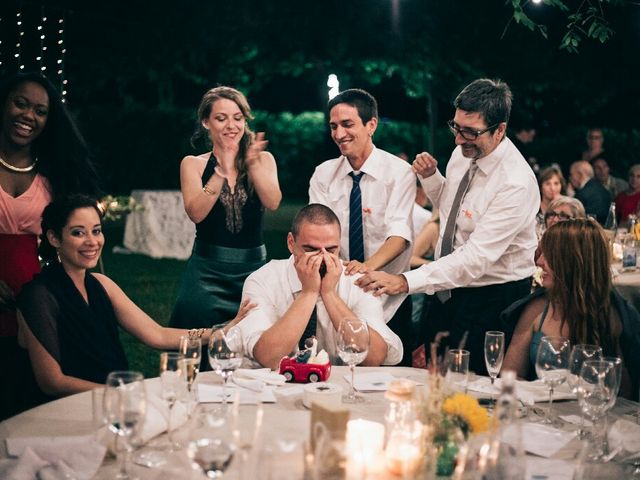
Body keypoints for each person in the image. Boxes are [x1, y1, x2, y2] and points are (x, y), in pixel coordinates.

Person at [355, 78, 539, 375]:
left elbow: (476, 259)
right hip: (446, 287)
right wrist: (432, 179)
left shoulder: (515, 183)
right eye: (456, 127)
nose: (458, 139)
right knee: (434, 377)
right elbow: (453, 209)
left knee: (474, 387)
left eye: (470, 132)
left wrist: (406, 281)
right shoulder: (463, 153)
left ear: (500, 129)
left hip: (491, 298)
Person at [17, 194, 254, 401]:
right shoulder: (39, 295)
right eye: (78, 232)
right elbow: (52, 382)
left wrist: (219, 332)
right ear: (54, 238)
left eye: (96, 231)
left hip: (118, 399)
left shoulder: (102, 284)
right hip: (73, 407)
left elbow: (157, 335)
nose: (92, 241)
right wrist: (122, 393)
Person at [0, 72, 100, 419]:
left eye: (40, 111)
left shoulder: (56, 173)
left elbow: (77, 237)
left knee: (29, 396)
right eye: (20, 103)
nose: (28, 116)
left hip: (34, 295)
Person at [308, 89, 415, 365]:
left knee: (393, 381)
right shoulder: (323, 174)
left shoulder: (399, 172)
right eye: (333, 126)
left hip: (389, 292)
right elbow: (316, 232)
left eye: (347, 124)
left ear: (371, 125)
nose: (339, 133)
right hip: (340, 294)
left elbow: (400, 234)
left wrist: (368, 267)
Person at [236, 204, 403, 370]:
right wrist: (309, 292)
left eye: (331, 250)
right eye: (311, 250)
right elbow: (268, 357)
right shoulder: (262, 280)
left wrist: (329, 294)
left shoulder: (357, 281)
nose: (322, 259)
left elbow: (374, 356)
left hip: (339, 388)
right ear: (291, 243)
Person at [170, 86, 281, 330]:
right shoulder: (193, 164)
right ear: (206, 122)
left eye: (237, 118)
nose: (231, 125)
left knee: (255, 341)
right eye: (221, 118)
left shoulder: (263, 160)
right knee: (196, 341)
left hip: (253, 271)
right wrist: (221, 171)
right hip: (207, 272)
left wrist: (250, 164)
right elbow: (196, 213)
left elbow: (273, 202)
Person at [502, 219, 639, 399]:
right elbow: (509, 377)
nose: (539, 261)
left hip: (591, 417)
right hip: (541, 413)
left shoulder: (613, 315)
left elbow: (623, 394)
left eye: (549, 255)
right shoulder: (536, 309)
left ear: (573, 261)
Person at [569, 160, 611, 224]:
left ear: (579, 174)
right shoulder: (603, 189)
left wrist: (570, 197)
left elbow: (572, 216)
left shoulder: (582, 194)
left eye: (572, 174)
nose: (570, 178)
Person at [536, 166, 565, 238]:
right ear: (540, 187)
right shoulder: (534, 208)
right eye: (547, 184)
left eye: (556, 183)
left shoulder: (567, 208)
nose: (552, 188)